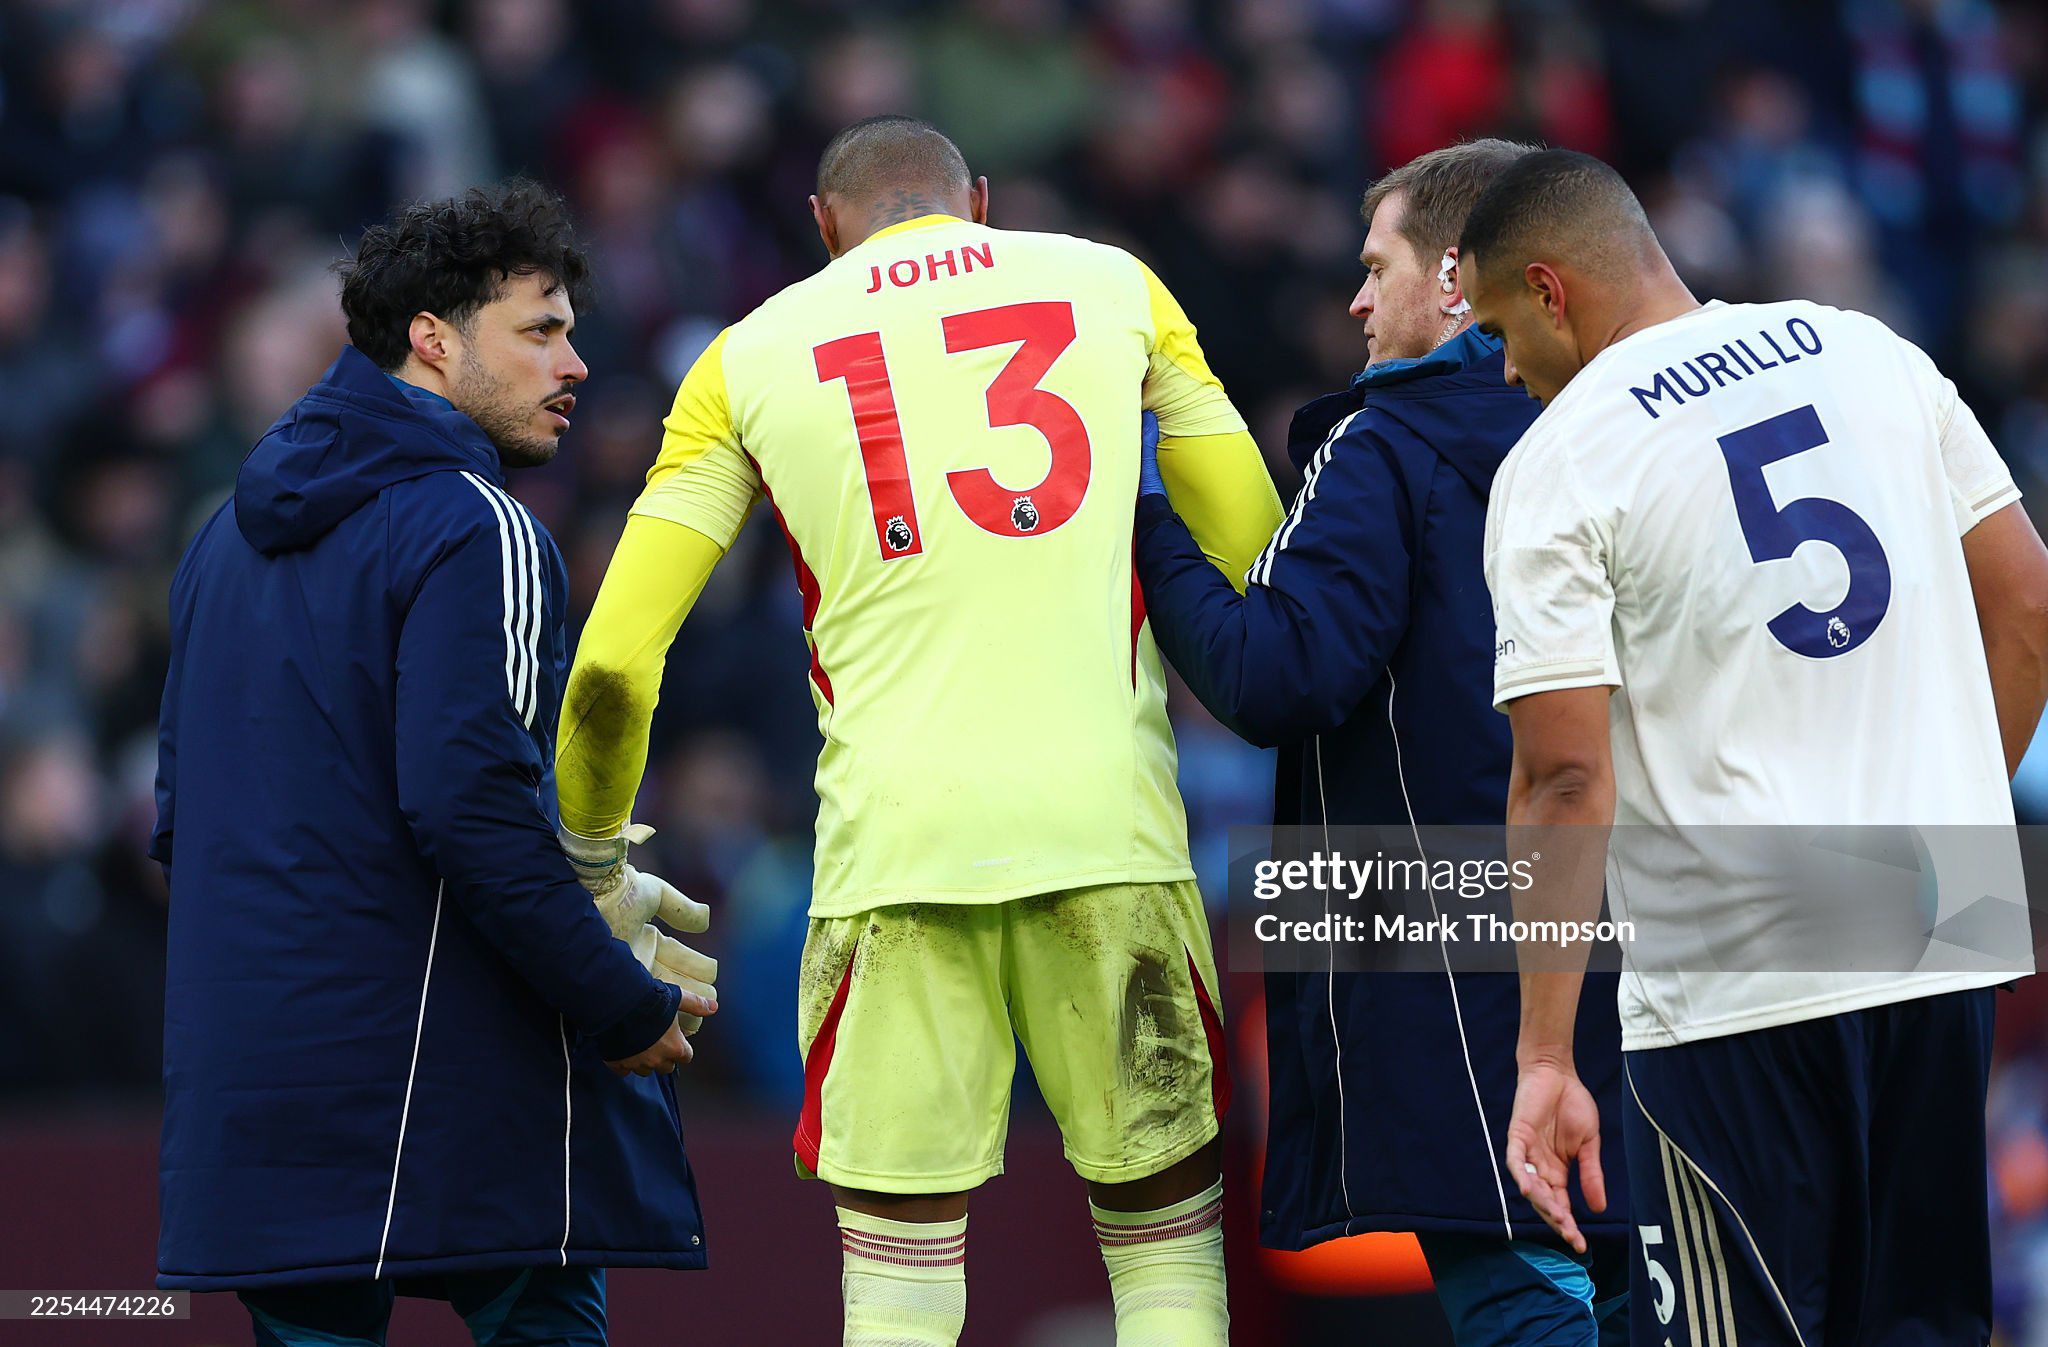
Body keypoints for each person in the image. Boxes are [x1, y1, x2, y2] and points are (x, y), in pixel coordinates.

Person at [552, 115, 1283, 1347]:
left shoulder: (749, 355)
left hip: (894, 853)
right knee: (1161, 1239)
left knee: (899, 1264)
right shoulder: (1113, 285)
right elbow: (1255, 551)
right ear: (978, 203)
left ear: (824, 228)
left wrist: (586, 862)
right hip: (1112, 834)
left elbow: (614, 671)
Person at [1465, 148, 2048, 1345]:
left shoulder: (1563, 457)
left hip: (1735, 977)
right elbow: (2029, 608)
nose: (1505, 367)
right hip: (1938, 927)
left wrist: (1540, 1054)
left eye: (1495, 328)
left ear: (1548, 288)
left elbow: (1564, 774)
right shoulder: (1869, 351)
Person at [151, 181, 718, 1347]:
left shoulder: (219, 537)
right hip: (445, 1073)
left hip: (252, 1078)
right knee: (545, 1315)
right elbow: (471, 811)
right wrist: (616, 1003)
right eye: (541, 330)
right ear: (433, 340)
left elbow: (177, 822)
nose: (574, 366)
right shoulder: (478, 522)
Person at [1133, 139, 1628, 1346]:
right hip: (1651, 926)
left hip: (1442, 948)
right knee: (1637, 1294)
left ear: (1456, 277)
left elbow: (1273, 673)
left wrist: (1141, 516)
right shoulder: (1628, 435)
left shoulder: (1383, 443)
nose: (1354, 300)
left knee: (1514, 1291)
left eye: (1374, 266)